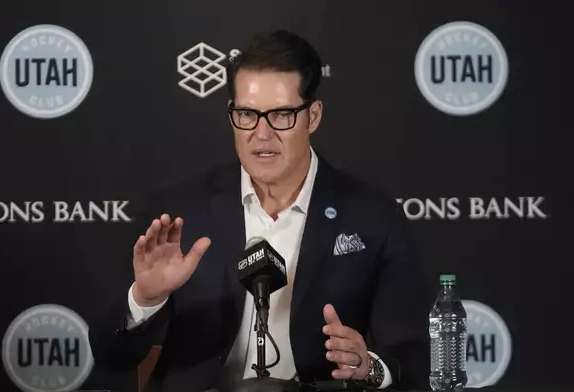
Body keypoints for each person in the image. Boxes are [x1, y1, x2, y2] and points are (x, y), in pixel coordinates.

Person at [88, 30, 431, 392]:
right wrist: (145, 300)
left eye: (281, 114)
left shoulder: (372, 216)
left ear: (312, 117)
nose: (261, 133)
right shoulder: (179, 213)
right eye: (247, 114)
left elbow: (413, 356)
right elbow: (111, 356)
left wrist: (370, 367)